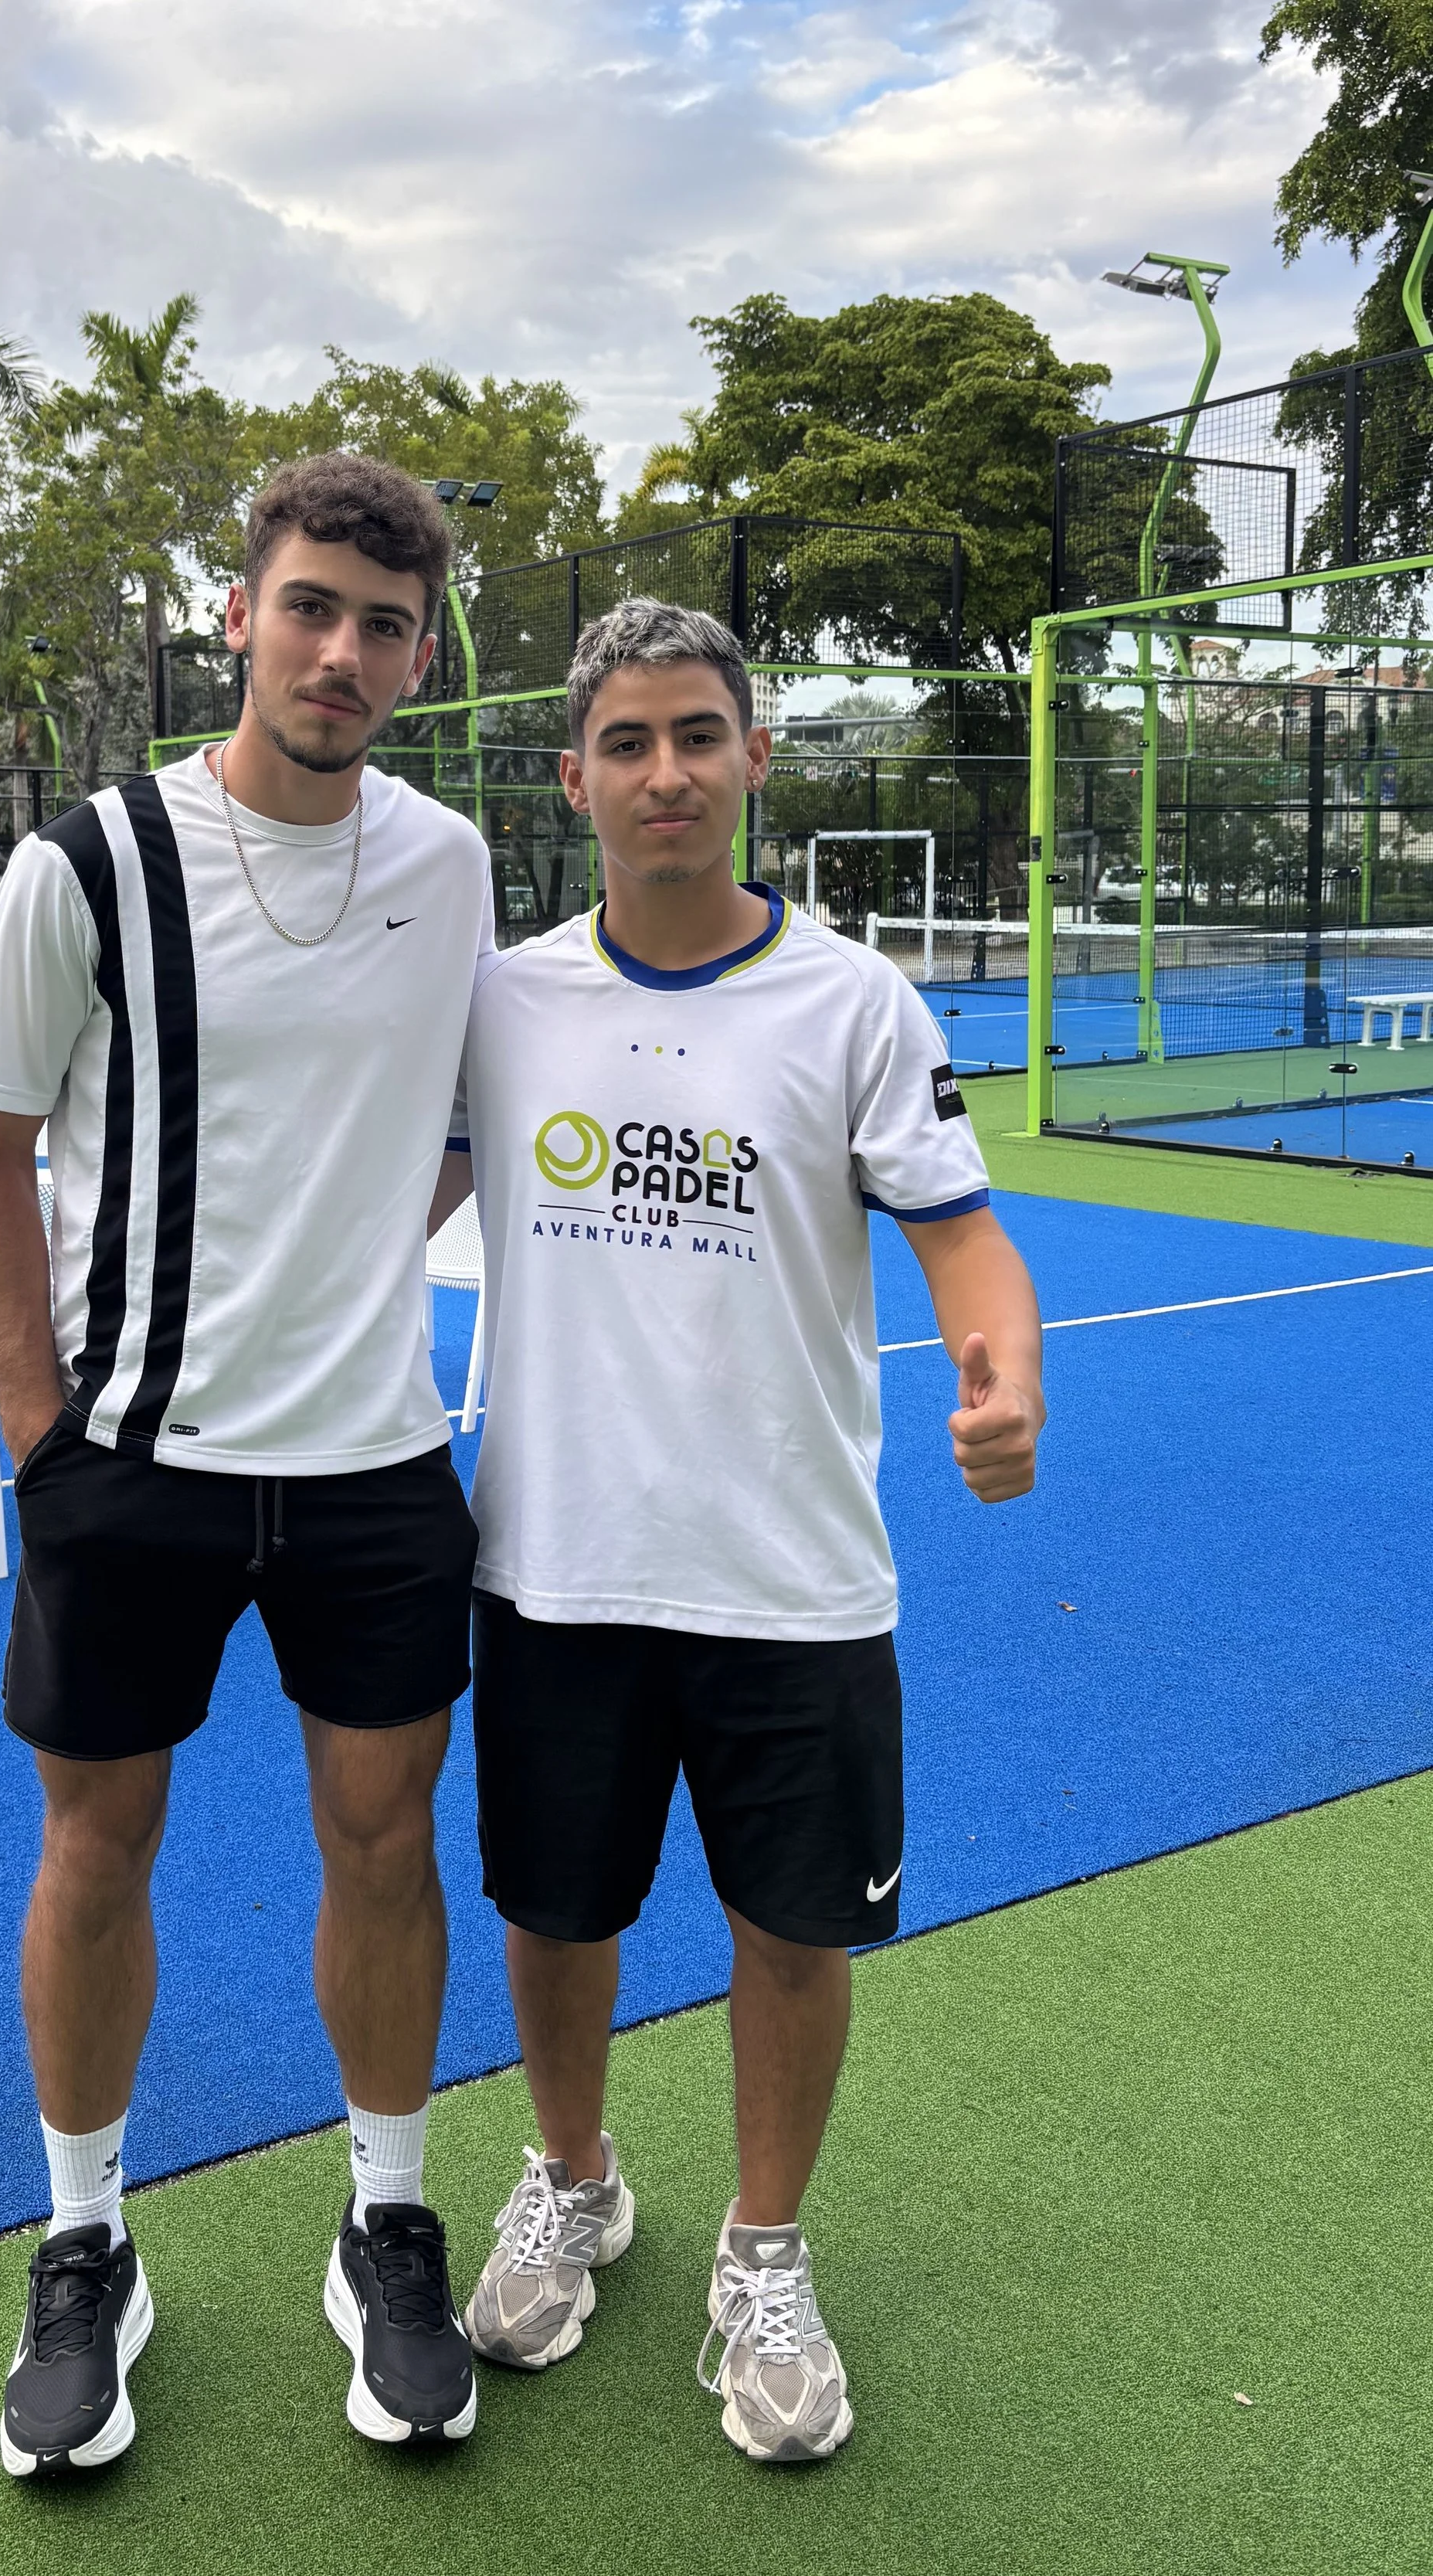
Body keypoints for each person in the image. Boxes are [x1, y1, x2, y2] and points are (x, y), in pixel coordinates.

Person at [436, 597, 1044, 2463]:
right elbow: (366, 1206)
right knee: (554, 1908)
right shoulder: (504, 999)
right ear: (573, 778)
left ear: (754, 758)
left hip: (790, 1573)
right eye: (625, 742)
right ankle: (573, 2176)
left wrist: (1000, 1373)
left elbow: (964, 1240)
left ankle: (762, 2251)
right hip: (552, 1560)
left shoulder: (854, 1002)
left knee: (791, 1928)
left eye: (696, 733)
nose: (664, 772)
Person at [0, 454, 494, 2473]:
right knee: (95, 1848)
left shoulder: (446, 864)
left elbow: (448, 1120)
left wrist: (349, 1252)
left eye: (382, 624)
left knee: (385, 1841)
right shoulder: (83, 861)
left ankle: (384, 2214)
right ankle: (84, 2242)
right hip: (134, 1467)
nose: (342, 651)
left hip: (371, 1463)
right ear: (239, 614)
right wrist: (41, 1435)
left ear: (418, 654)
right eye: (310, 608)